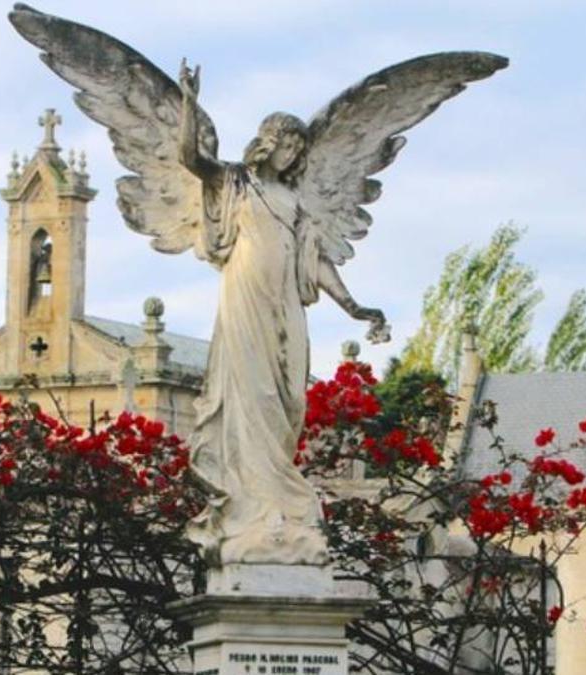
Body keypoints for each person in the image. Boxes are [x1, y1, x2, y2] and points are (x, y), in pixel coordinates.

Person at [176, 61, 385, 565]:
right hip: (246, 300)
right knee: (255, 396)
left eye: (299, 148)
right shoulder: (236, 184)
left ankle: (278, 509)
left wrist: (357, 307)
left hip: (285, 306)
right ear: (268, 143)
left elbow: (316, 261)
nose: (295, 154)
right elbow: (193, 159)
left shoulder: (293, 200)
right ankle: (252, 511)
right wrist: (188, 101)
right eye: (288, 144)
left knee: (289, 399)